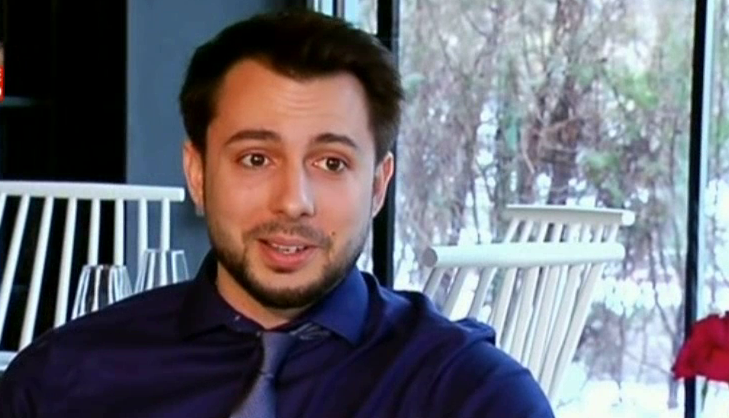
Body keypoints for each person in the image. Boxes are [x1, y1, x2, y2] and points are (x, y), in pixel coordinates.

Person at [0, 9, 555, 418]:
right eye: (256, 158)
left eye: (332, 163)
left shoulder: (470, 395)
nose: (293, 200)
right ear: (198, 173)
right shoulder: (59, 383)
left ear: (378, 185)